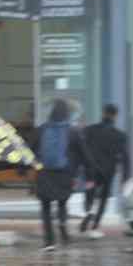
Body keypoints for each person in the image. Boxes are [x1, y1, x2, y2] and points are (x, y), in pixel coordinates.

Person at [35, 99, 81, 251]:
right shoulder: (72, 131)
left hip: (44, 173)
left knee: (46, 208)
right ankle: (62, 223)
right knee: (62, 202)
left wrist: (23, 168)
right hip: (64, 174)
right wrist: (88, 173)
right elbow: (83, 154)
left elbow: (31, 149)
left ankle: (49, 241)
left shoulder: (41, 129)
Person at [78, 104, 129, 239]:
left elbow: (82, 149)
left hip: (91, 171)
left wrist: (80, 166)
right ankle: (95, 226)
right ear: (116, 116)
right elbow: (125, 157)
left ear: (103, 113)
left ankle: (89, 212)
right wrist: (125, 177)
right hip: (108, 173)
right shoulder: (120, 136)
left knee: (89, 194)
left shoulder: (90, 130)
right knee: (103, 199)